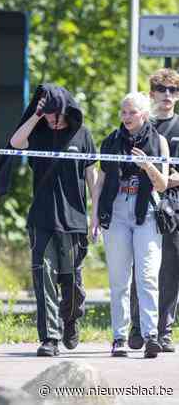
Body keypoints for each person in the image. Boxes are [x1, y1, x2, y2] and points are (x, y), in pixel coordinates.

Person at [9, 84, 97, 357]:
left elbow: (93, 175)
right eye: (47, 113)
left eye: (54, 113)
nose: (51, 119)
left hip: (74, 220)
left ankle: (71, 319)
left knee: (71, 281)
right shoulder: (37, 131)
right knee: (44, 276)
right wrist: (36, 116)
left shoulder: (82, 134)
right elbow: (15, 143)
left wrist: (95, 215)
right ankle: (50, 338)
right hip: (42, 218)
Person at [92, 92, 169, 359]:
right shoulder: (111, 141)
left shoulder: (158, 142)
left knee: (147, 275)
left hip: (146, 210)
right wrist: (94, 219)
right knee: (119, 279)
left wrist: (147, 165)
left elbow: (162, 184)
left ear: (144, 114)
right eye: (123, 112)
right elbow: (100, 182)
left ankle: (151, 335)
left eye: (132, 112)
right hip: (116, 212)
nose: (126, 117)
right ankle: (119, 337)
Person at [129, 69, 179, 353]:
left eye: (173, 90)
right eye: (162, 89)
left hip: (174, 205)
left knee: (170, 270)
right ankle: (138, 327)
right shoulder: (138, 125)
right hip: (140, 204)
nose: (168, 96)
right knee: (141, 267)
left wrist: (166, 178)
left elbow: (169, 177)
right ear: (152, 93)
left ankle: (164, 331)